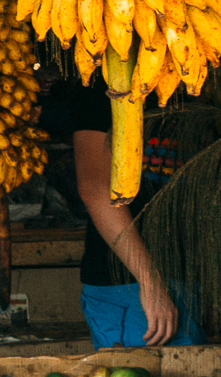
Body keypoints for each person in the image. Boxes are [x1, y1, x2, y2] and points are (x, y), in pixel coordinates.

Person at [55, 72, 204, 348]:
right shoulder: (105, 87)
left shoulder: (190, 82)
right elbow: (95, 189)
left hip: (186, 280)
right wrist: (150, 283)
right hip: (129, 285)